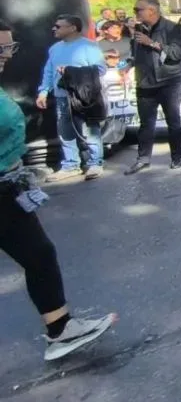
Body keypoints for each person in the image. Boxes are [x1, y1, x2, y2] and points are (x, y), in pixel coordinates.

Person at [0, 20, 117, 361]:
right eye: (1, 48)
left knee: (39, 254)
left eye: (9, 47)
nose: (7, 55)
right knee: (39, 254)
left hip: (8, 186)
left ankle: (60, 329)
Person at [36, 15, 107, 182]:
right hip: (62, 96)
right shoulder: (54, 48)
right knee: (65, 131)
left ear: (73, 28)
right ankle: (71, 165)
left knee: (90, 129)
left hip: (84, 96)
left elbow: (100, 69)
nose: (54, 29)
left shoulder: (89, 46)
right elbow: (48, 71)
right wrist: (43, 91)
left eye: (58, 26)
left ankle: (95, 163)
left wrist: (70, 71)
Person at [123, 0, 181, 175]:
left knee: (173, 121)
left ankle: (178, 156)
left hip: (169, 81)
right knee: (146, 124)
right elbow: (135, 53)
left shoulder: (173, 28)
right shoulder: (139, 29)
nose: (135, 13)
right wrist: (129, 64)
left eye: (138, 9)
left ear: (151, 10)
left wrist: (151, 43)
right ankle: (143, 159)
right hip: (145, 82)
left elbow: (176, 54)